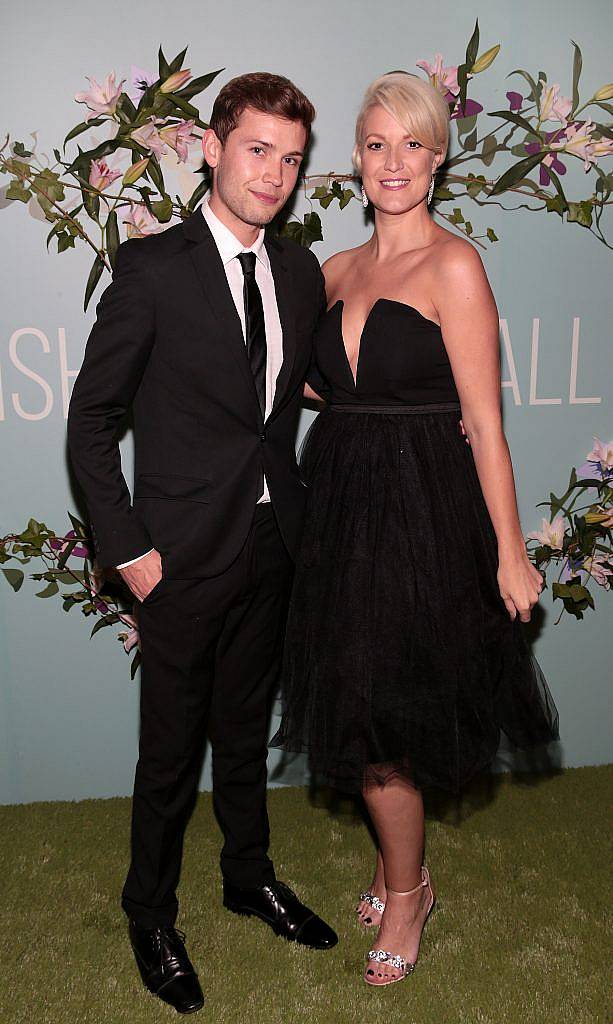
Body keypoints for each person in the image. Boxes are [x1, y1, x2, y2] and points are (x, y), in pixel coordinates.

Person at [272, 72, 559, 987]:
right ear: (354, 160)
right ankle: (400, 872)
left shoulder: (453, 266)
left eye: (412, 144)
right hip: (339, 501)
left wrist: (510, 551)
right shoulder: (333, 270)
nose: (393, 162)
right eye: (375, 144)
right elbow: (316, 381)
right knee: (357, 702)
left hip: (422, 512)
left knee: (384, 719)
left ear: (437, 158)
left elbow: (483, 422)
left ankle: (407, 897)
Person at [67, 72, 337, 1016]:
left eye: (291, 159)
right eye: (258, 150)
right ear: (215, 148)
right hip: (176, 555)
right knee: (170, 752)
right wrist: (127, 547)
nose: (274, 173)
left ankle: (246, 875)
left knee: (243, 732)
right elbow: (91, 421)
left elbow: (292, 387)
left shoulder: (300, 270)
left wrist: (422, 415)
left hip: (273, 542)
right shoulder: (151, 268)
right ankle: (150, 913)